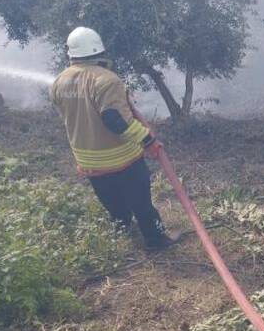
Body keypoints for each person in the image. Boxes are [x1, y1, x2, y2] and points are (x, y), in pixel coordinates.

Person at [50, 26, 175, 251]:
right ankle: (156, 240)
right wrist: (148, 140)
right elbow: (116, 120)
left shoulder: (59, 81)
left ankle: (122, 236)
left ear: (72, 54)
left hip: (88, 161)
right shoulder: (107, 80)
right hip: (121, 158)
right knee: (142, 203)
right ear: (99, 51)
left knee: (113, 204)